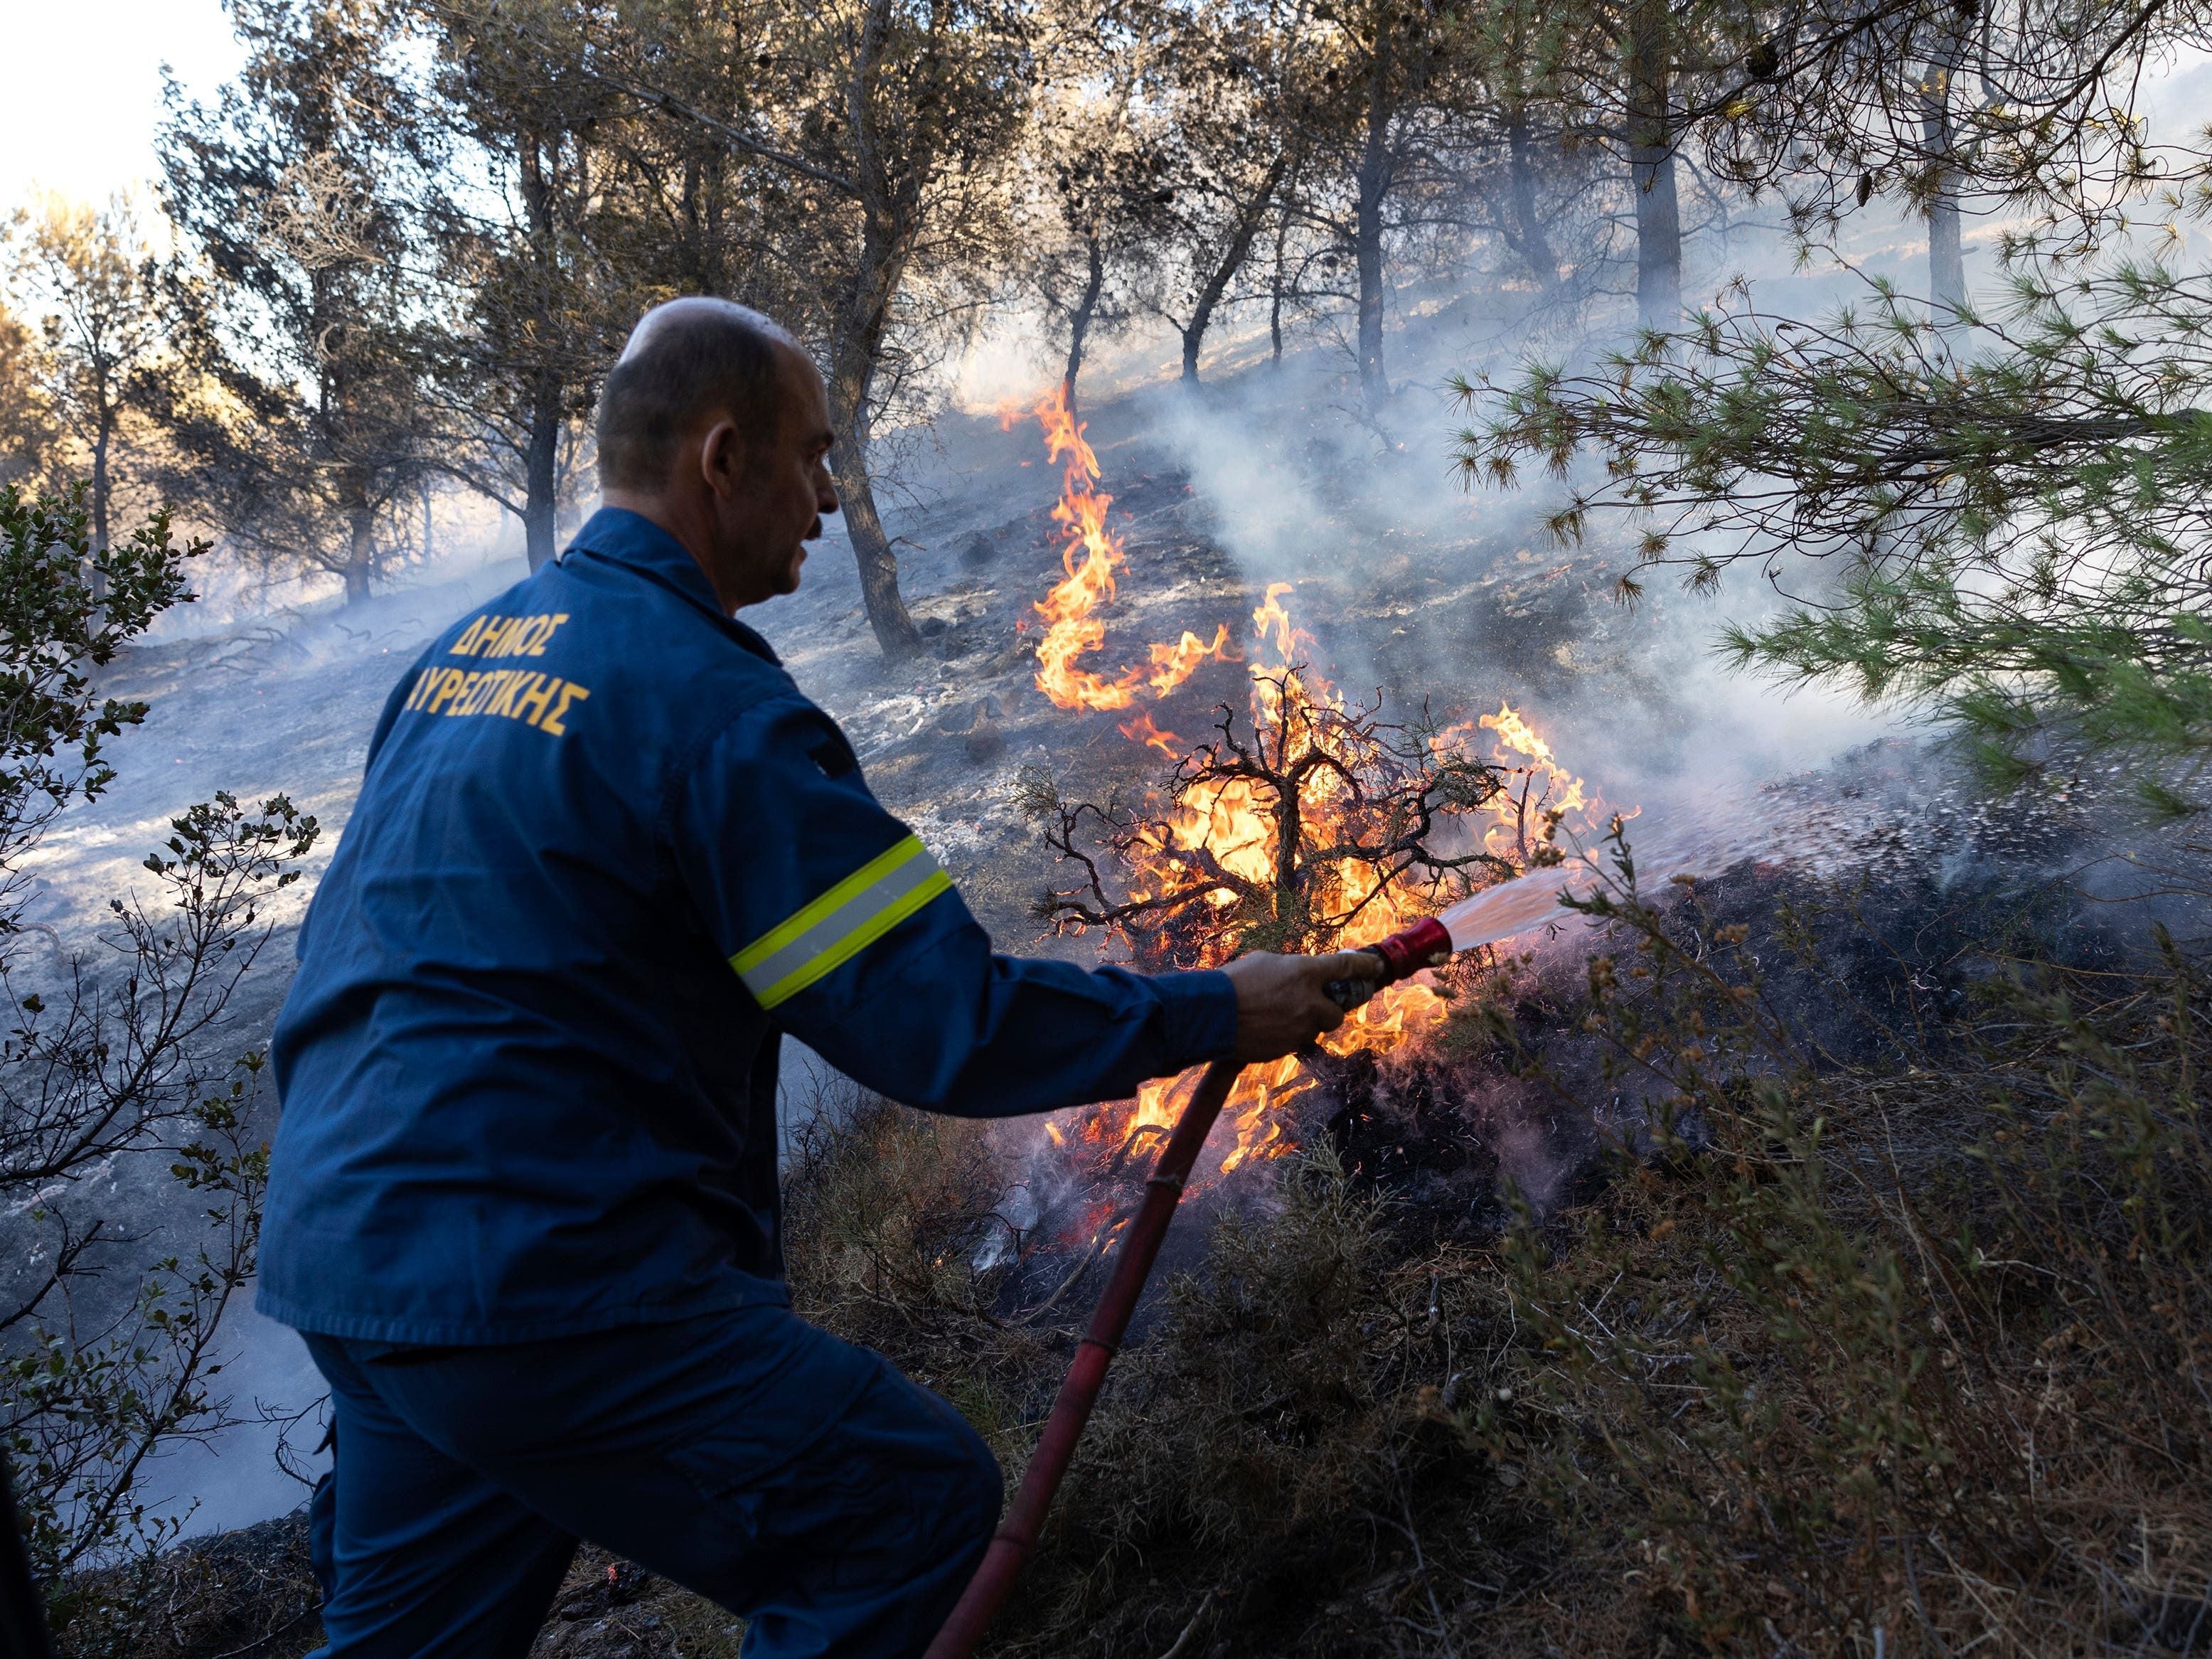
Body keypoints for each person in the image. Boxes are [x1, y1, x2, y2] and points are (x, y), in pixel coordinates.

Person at [259, 297, 1370, 1658]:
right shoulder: (711, 706)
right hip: (540, 1278)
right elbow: (937, 1020)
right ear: (723, 460)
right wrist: (1216, 1006)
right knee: (904, 1513)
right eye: (813, 456)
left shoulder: (466, 659)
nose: (831, 500)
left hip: (346, 1256)